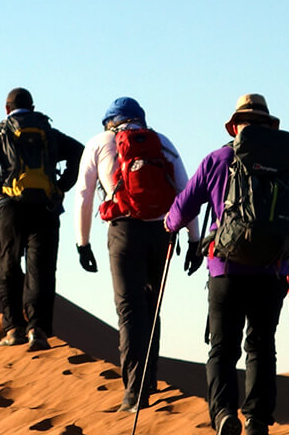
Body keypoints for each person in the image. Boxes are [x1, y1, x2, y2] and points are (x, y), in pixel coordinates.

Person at [165, 94, 289, 435]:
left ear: (235, 126)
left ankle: (223, 416)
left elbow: (182, 208)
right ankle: (257, 426)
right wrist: (279, 240)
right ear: (268, 126)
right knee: (261, 346)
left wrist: (170, 226)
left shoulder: (218, 160)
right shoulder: (285, 165)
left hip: (225, 269)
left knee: (222, 348)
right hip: (271, 273)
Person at [70, 97, 197, 412]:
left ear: (111, 121)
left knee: (129, 311)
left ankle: (134, 392)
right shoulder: (162, 142)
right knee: (151, 309)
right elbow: (185, 191)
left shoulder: (100, 143)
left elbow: (84, 195)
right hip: (162, 233)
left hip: (124, 232)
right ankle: (150, 379)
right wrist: (194, 240)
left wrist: (82, 242)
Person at [0, 87, 83, 351]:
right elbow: (80, 151)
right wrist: (62, 185)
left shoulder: (2, 132)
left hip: (10, 207)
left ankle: (14, 328)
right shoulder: (48, 133)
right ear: (32, 107)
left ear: (7, 109)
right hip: (46, 208)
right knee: (40, 269)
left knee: (8, 264)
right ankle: (38, 330)